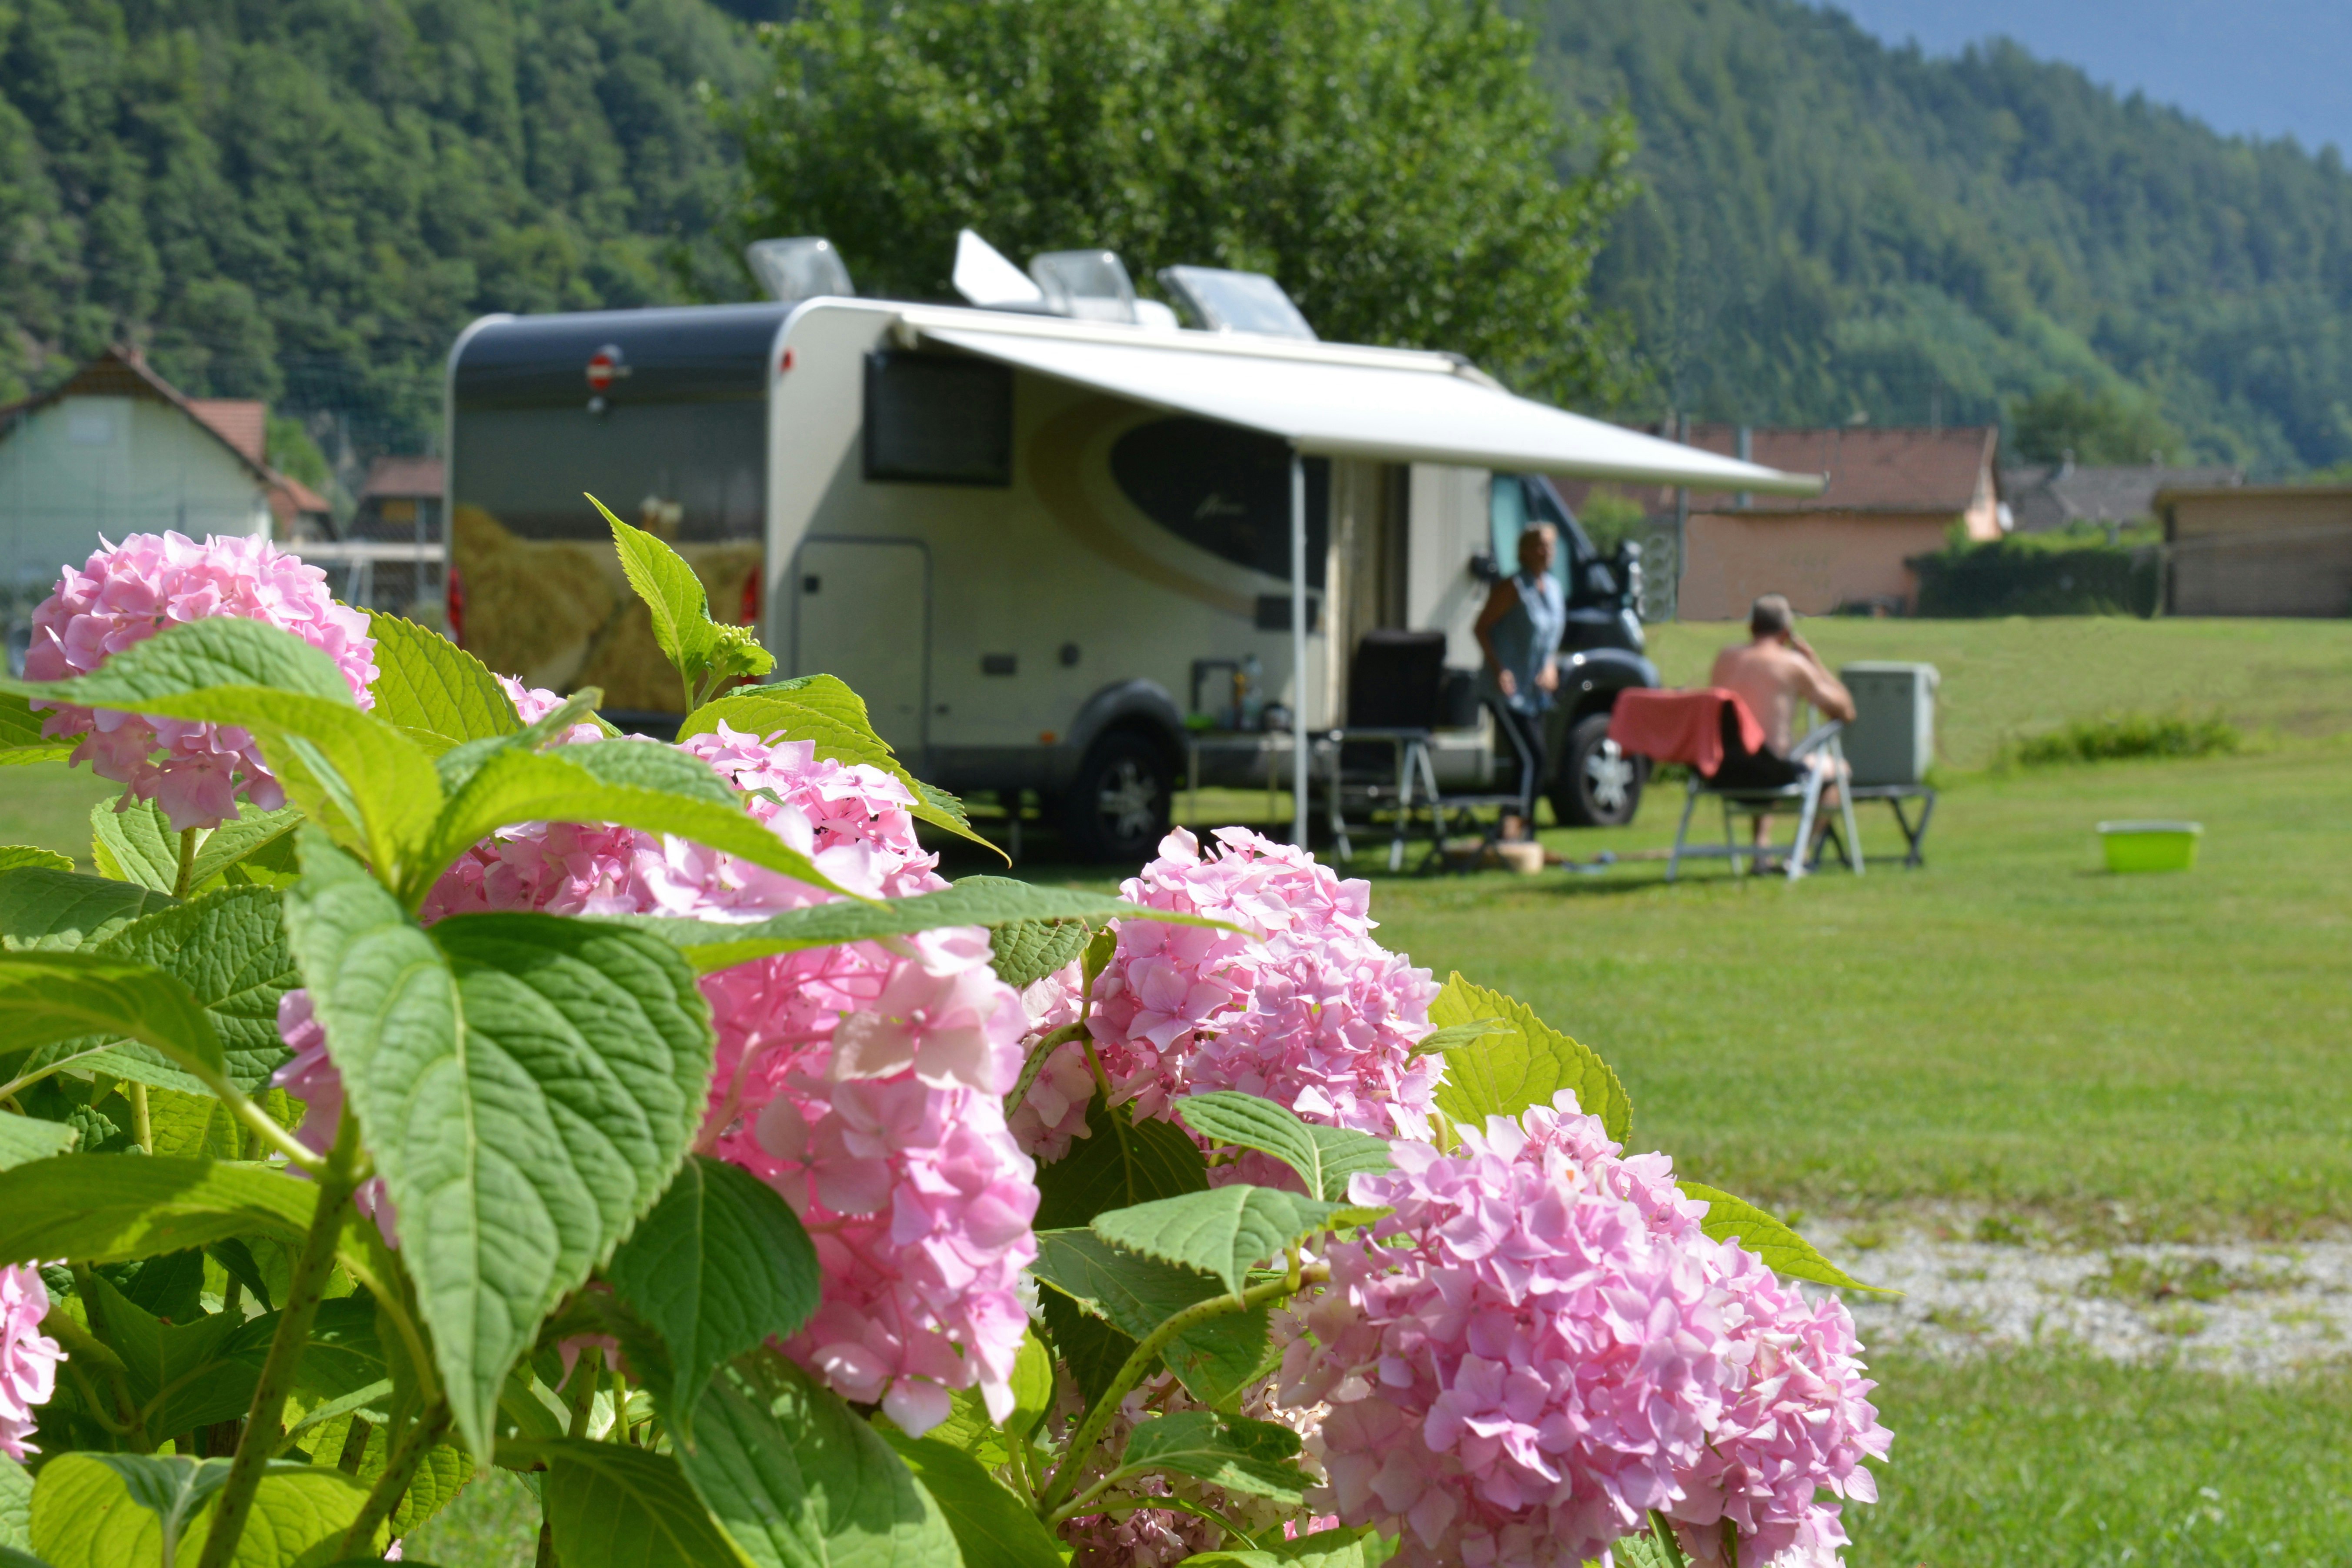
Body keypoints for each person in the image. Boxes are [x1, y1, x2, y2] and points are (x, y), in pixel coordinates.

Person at [1709, 594, 1855, 858]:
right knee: (1839, 771)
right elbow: (1845, 712)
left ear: (1752, 628)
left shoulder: (1725, 658)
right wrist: (1815, 664)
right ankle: (1798, 856)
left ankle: (1761, 853)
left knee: (1760, 748)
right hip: (1769, 773)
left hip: (1721, 770)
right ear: (1786, 633)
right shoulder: (1792, 664)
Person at [1473, 523, 1565, 839]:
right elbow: (1481, 627)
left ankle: (1511, 828)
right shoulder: (1513, 587)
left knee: (1534, 760)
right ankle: (1520, 828)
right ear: (1525, 550)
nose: (1546, 551)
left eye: (1551, 546)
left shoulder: (1553, 589)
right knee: (1531, 757)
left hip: (1534, 692)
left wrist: (1550, 666)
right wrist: (1499, 668)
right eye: (1540, 545)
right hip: (1505, 691)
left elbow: (1551, 638)